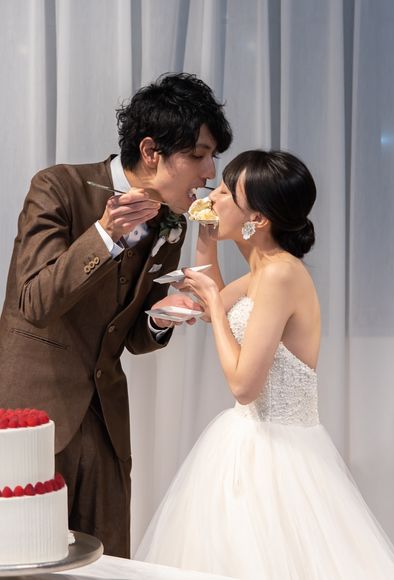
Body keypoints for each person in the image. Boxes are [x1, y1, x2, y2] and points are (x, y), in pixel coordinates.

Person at [135, 150, 394, 579]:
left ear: (257, 219)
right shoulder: (264, 271)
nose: (212, 197)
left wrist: (211, 303)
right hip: (248, 440)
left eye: (225, 193)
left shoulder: (281, 275)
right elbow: (217, 309)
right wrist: (206, 238)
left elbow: (244, 385)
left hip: (280, 454)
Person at [0, 72, 232, 557]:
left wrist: (158, 319)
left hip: (107, 422)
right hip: (33, 418)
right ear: (151, 151)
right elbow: (33, 302)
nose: (209, 172)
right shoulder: (57, 187)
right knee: (29, 555)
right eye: (199, 155)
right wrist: (104, 234)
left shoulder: (171, 220)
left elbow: (129, 335)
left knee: (108, 559)